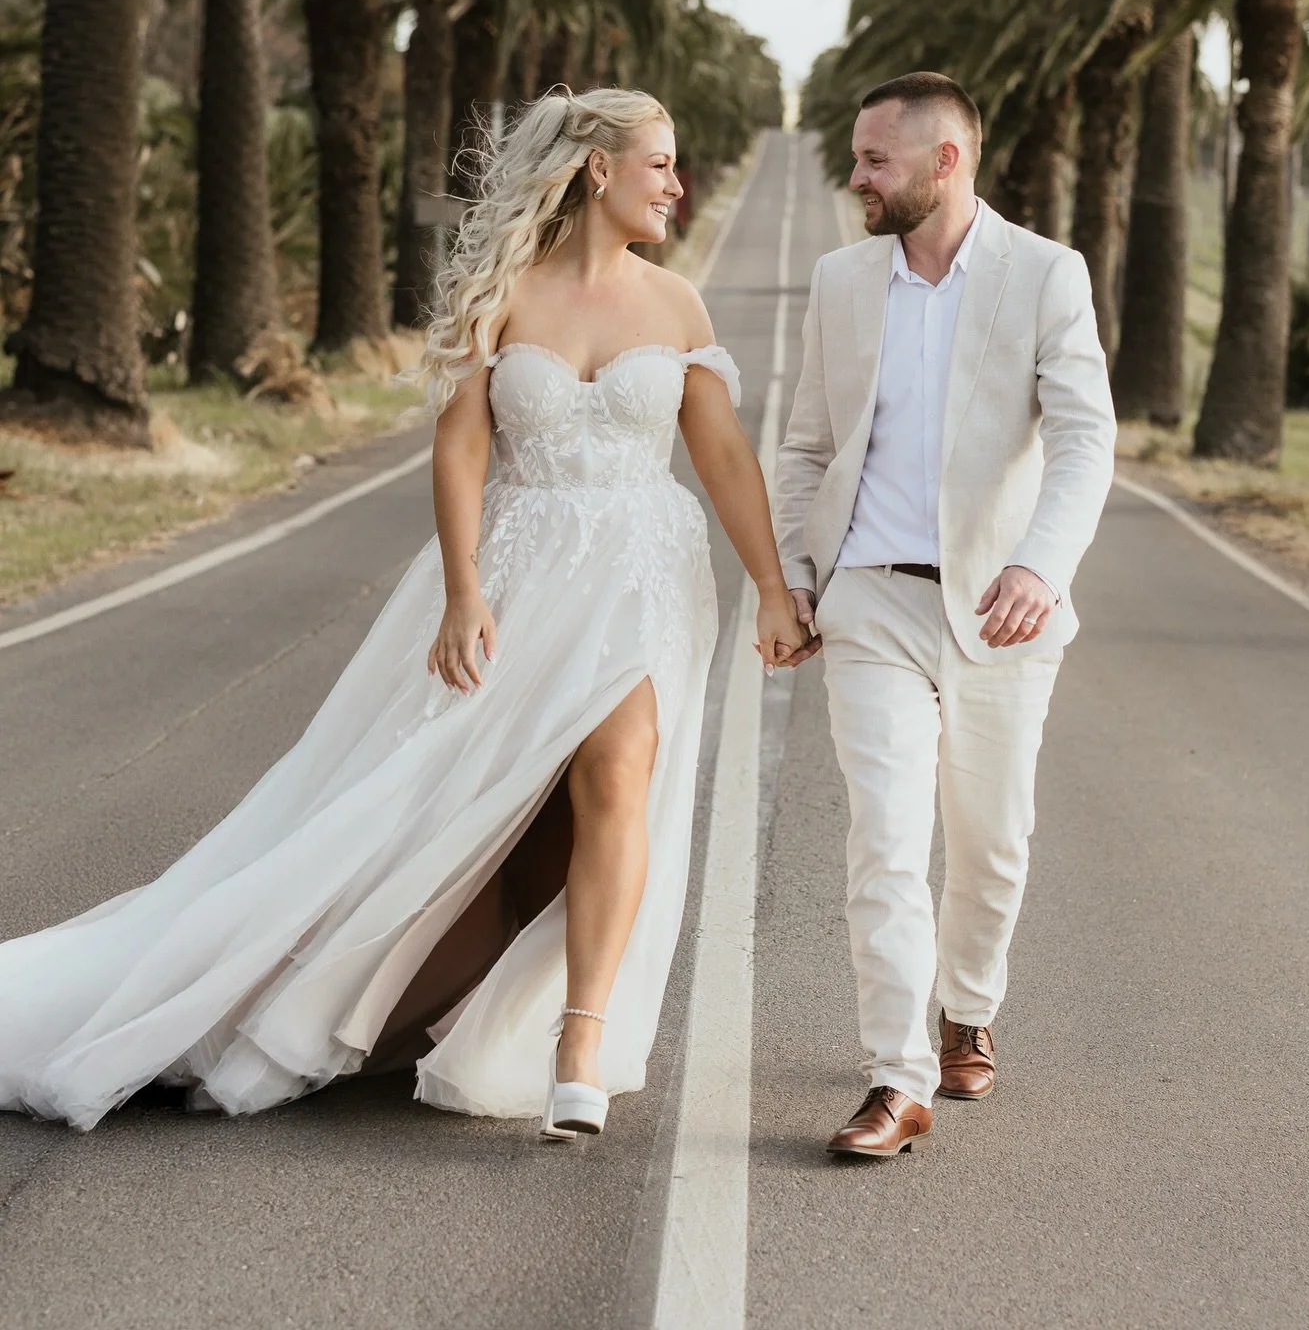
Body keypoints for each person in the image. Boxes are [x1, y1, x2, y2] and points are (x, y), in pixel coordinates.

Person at [0, 87, 807, 1140]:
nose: (676, 184)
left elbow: (725, 460)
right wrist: (465, 593)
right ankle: (275, 991)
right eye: (660, 163)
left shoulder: (678, 307)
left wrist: (776, 591)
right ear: (599, 171)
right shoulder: (503, 291)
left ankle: (580, 1039)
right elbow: (463, 447)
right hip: (518, 572)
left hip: (644, 573)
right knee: (432, 805)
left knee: (620, 769)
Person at [773, 71, 1115, 1159]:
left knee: (992, 841)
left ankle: (969, 1008)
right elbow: (806, 447)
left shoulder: (1046, 276)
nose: (857, 175)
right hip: (871, 598)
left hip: (1001, 611)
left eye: (876, 158)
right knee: (884, 839)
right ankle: (896, 1075)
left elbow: (1084, 439)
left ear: (945, 161)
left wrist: (1040, 566)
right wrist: (794, 575)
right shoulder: (841, 279)